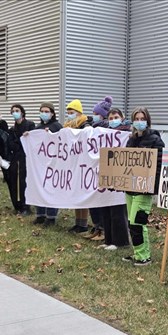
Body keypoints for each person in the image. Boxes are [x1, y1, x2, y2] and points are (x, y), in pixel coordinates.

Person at [122, 106, 165, 266]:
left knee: (138, 222)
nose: (139, 122)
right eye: (137, 119)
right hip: (130, 188)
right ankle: (138, 253)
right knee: (131, 222)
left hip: (144, 190)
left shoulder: (155, 140)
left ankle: (144, 256)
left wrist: (152, 186)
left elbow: (159, 166)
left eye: (142, 119)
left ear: (147, 120)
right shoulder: (131, 140)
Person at [99, 108, 131, 250]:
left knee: (118, 209)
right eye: (110, 118)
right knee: (106, 207)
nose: (113, 120)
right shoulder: (102, 133)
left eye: (116, 117)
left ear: (122, 118)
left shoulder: (127, 134)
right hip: (106, 172)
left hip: (121, 174)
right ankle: (108, 239)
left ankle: (120, 241)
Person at [83, 96, 113, 241]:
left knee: (100, 200)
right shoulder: (90, 128)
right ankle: (96, 226)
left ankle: (102, 229)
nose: (93, 116)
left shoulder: (108, 130)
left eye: (96, 114)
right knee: (91, 199)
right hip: (91, 169)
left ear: (102, 115)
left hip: (102, 169)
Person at [33, 102, 62, 226]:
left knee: (50, 189)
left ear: (52, 113)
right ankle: (40, 214)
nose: (44, 113)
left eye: (47, 111)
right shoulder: (38, 127)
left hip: (53, 164)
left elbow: (62, 140)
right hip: (40, 164)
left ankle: (51, 217)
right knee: (39, 188)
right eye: (42, 111)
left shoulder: (57, 126)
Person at [64, 99, 91, 233]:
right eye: (68, 112)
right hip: (72, 164)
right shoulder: (67, 126)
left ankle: (84, 224)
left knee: (82, 195)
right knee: (75, 194)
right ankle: (77, 222)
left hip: (83, 164)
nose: (70, 115)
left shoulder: (85, 125)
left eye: (72, 112)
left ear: (79, 113)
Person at [7, 104, 35, 215]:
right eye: (13, 111)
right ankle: (17, 205)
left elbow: (31, 141)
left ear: (22, 112)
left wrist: (21, 141)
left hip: (27, 158)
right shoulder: (12, 129)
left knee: (24, 181)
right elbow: (11, 144)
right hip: (16, 158)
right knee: (14, 181)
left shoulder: (30, 125)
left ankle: (26, 206)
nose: (15, 112)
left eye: (17, 110)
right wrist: (20, 140)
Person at [0, 115, 10, 184]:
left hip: (4, 146)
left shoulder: (3, 122)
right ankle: (5, 176)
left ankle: (7, 177)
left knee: (5, 162)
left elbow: (6, 132)